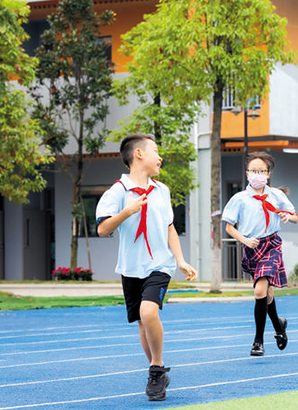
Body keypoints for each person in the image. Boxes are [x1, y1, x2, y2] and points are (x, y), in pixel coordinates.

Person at [96, 134, 198, 402]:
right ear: (138, 154)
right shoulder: (118, 191)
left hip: (159, 265)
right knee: (142, 323)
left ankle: (155, 369)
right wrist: (127, 211)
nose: (160, 156)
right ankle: (157, 371)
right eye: (155, 150)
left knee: (148, 311)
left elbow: (169, 227)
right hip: (131, 268)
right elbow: (102, 228)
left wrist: (180, 260)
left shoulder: (161, 190)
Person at [222, 151, 298, 357]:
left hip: (271, 245)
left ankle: (258, 341)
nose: (257, 174)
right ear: (247, 173)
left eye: (261, 171)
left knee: (259, 291)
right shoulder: (239, 198)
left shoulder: (276, 195)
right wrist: (245, 240)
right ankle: (279, 326)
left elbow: (295, 217)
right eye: (254, 170)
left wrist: (287, 216)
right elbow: (229, 227)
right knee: (267, 294)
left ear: (268, 174)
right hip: (251, 247)